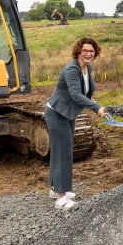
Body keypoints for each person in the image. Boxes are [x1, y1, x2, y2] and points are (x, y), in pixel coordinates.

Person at [44, 38, 106, 210]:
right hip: (57, 114)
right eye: (85, 50)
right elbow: (75, 94)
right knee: (62, 153)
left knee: (64, 151)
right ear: (78, 51)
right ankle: (60, 197)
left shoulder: (86, 67)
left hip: (67, 114)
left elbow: (86, 89)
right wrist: (95, 107)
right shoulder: (72, 68)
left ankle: (55, 188)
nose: (88, 54)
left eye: (91, 51)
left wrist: (90, 98)